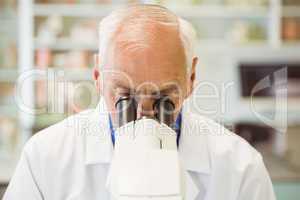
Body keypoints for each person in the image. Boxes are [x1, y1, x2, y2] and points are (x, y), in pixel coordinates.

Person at [4, 4, 275, 200]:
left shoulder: (241, 167)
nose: (145, 114)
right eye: (124, 97)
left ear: (191, 78)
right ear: (98, 75)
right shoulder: (45, 158)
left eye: (164, 98)